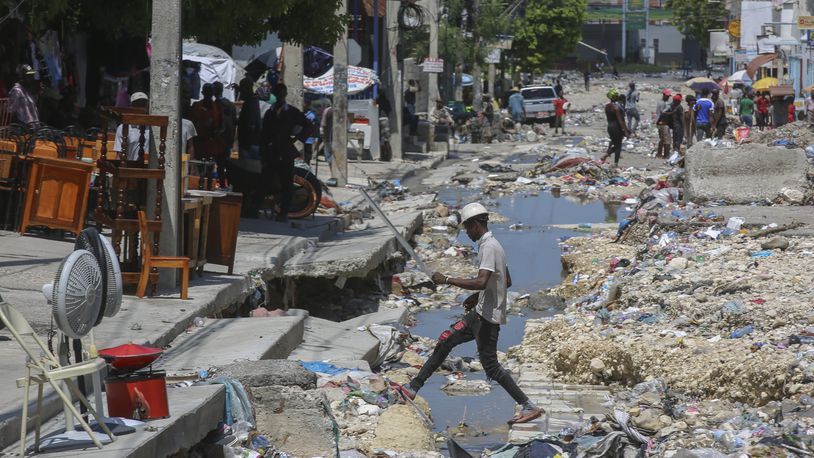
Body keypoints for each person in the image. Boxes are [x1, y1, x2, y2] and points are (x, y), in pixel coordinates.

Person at [393, 203, 544, 426]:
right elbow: (505, 280)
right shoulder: (491, 245)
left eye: (467, 228)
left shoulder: (489, 247)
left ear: (475, 224)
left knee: (491, 366)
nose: (466, 233)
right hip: (480, 312)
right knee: (446, 340)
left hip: (487, 318)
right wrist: (477, 297)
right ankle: (414, 387)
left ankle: (528, 406)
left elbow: (483, 280)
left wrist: (447, 279)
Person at [260, 83, 310, 222]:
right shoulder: (270, 112)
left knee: (287, 183)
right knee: (266, 181)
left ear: (285, 95)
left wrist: (296, 140)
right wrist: (263, 153)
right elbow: (264, 135)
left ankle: (283, 212)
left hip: (286, 152)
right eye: (277, 94)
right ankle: (263, 207)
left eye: (281, 94)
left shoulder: (293, 112)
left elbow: (308, 126)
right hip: (271, 153)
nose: (280, 96)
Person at [113, 92, 152, 162]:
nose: (140, 108)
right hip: (130, 166)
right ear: (131, 106)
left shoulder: (152, 127)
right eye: (137, 104)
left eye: (143, 104)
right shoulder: (122, 128)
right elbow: (119, 155)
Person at [600, 89, 630, 166]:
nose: (618, 97)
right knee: (618, 146)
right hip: (616, 127)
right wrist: (625, 130)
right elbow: (620, 120)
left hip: (609, 127)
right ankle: (615, 163)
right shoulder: (616, 108)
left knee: (615, 143)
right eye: (616, 96)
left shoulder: (607, 106)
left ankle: (606, 155)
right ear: (613, 97)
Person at [237, 77, 262, 160]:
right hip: (251, 144)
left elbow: (251, 125)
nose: (240, 93)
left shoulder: (251, 104)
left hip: (248, 145)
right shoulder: (253, 101)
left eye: (241, 90)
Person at [662, 94, 684, 159]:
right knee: (679, 139)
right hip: (679, 125)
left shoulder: (671, 105)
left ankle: (675, 151)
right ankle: (676, 152)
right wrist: (684, 127)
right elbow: (681, 118)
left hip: (673, 125)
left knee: (675, 138)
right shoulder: (679, 107)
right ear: (677, 101)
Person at [655, 89, 672, 158]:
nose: (668, 97)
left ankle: (659, 154)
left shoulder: (659, 102)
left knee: (662, 139)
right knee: (667, 140)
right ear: (664, 95)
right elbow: (663, 114)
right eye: (667, 96)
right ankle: (666, 155)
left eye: (668, 96)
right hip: (663, 123)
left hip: (659, 123)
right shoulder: (665, 104)